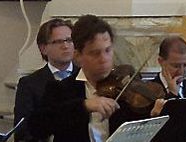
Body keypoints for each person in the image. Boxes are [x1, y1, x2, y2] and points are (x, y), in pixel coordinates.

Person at [31, 14, 140, 142]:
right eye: (95, 53)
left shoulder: (125, 88)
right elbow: (36, 126)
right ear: (78, 56)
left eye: (108, 50)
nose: (104, 59)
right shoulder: (61, 89)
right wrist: (84, 105)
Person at [14, 18, 77, 142]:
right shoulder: (29, 84)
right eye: (58, 42)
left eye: (69, 40)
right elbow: (22, 131)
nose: (65, 46)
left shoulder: (85, 75)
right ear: (43, 48)